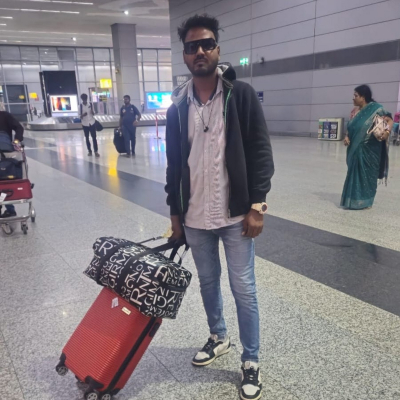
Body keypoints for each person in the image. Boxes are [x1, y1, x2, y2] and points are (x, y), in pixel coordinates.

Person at [165, 14, 274, 400]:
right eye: (192, 46)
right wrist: (175, 217)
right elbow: (174, 165)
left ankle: (251, 359)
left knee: (243, 288)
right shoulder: (177, 107)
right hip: (195, 215)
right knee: (208, 282)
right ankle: (218, 336)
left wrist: (258, 206)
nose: (200, 51)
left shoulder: (240, 95)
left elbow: (261, 152)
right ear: (184, 55)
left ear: (217, 49)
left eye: (207, 44)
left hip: (236, 215)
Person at [341, 85, 393, 210]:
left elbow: (389, 120)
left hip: (370, 151)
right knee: (354, 175)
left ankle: (366, 202)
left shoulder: (376, 109)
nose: (353, 98)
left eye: (356, 96)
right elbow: (351, 128)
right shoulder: (355, 112)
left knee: (368, 177)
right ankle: (352, 201)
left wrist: (387, 132)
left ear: (363, 97)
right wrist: (347, 137)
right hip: (355, 150)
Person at [0, 110, 24, 218]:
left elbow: (19, 128)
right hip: (6, 153)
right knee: (4, 179)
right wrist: (17, 140)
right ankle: (10, 209)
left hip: (5, 154)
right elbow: (19, 127)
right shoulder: (5, 115)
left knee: (4, 180)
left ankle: (9, 209)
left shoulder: (4, 115)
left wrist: (16, 140)